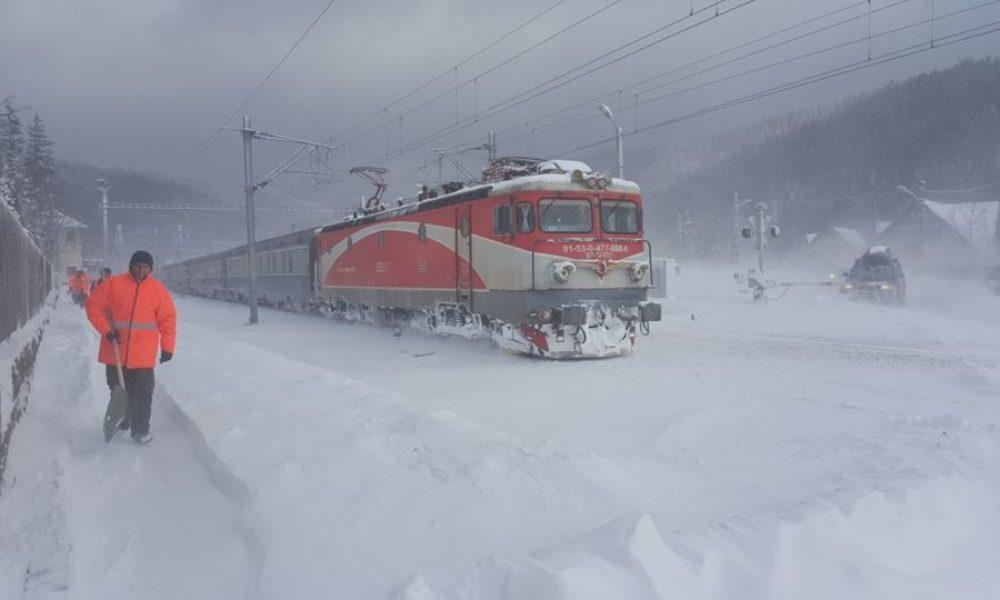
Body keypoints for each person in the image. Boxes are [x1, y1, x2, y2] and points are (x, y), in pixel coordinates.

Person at [85, 251, 177, 444]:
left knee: (143, 394)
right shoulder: (114, 284)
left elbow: (168, 320)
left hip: (143, 356)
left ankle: (141, 430)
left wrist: (167, 347)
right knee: (118, 391)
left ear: (150, 269)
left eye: (145, 267)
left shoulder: (158, 291)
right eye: (138, 265)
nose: (141, 270)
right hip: (115, 353)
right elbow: (93, 306)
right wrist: (107, 330)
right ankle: (123, 420)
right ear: (131, 266)